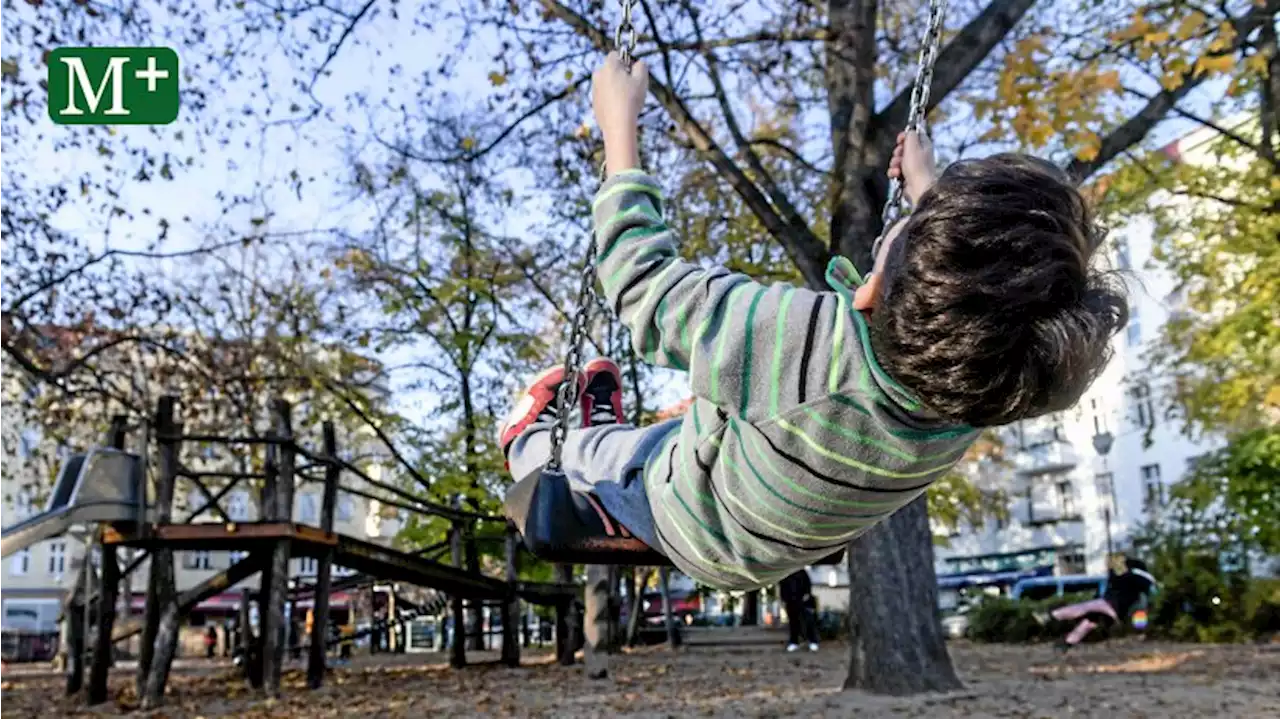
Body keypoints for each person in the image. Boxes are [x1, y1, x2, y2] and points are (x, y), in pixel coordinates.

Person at [499, 53, 1127, 591]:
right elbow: (979, 306)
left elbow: (642, 284)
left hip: (693, 512)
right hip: (777, 532)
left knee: (625, 455)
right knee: (693, 418)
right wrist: (928, 191)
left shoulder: (796, 344)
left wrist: (619, 131)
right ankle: (611, 438)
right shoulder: (993, 387)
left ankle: (529, 440)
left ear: (870, 289)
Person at [1050, 555, 1157, 652]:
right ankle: (1068, 642)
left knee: (1085, 608)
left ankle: (1056, 615)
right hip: (1119, 610)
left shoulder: (1130, 576)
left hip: (1112, 604)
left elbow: (1119, 578)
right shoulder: (1138, 578)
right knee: (1090, 622)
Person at [779, 569, 819, 652]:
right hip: (790, 602)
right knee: (793, 623)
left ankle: (813, 642)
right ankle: (794, 642)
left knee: (808, 622)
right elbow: (782, 586)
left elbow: (808, 584)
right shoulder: (785, 573)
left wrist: (807, 594)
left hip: (803, 601)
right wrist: (783, 599)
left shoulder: (802, 572)